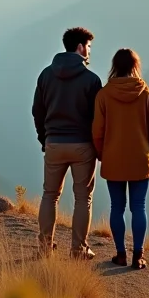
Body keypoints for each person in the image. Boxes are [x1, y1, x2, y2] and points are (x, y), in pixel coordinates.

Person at [32, 26, 103, 259]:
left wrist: (45, 138)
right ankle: (79, 249)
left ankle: (45, 248)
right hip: (83, 145)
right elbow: (98, 118)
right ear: (80, 47)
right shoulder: (92, 80)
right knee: (83, 198)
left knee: (49, 195)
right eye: (89, 47)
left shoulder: (45, 75)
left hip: (54, 142)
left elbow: (37, 111)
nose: (89, 52)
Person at [92, 48, 149, 270]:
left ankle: (120, 254)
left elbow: (97, 131)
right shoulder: (146, 93)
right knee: (139, 207)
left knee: (117, 207)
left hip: (113, 158)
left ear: (115, 66)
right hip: (141, 158)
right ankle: (138, 256)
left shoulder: (103, 94)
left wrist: (102, 153)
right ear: (135, 66)